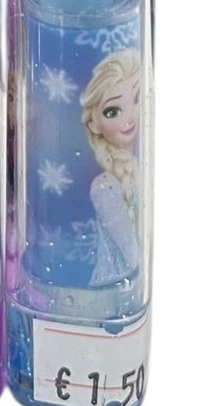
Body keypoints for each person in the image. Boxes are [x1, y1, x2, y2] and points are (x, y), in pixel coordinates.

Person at [80, 48, 142, 287]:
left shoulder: (138, 167)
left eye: (136, 99)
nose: (130, 118)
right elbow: (131, 253)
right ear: (94, 124)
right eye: (112, 111)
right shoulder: (105, 187)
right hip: (111, 288)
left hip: (131, 288)